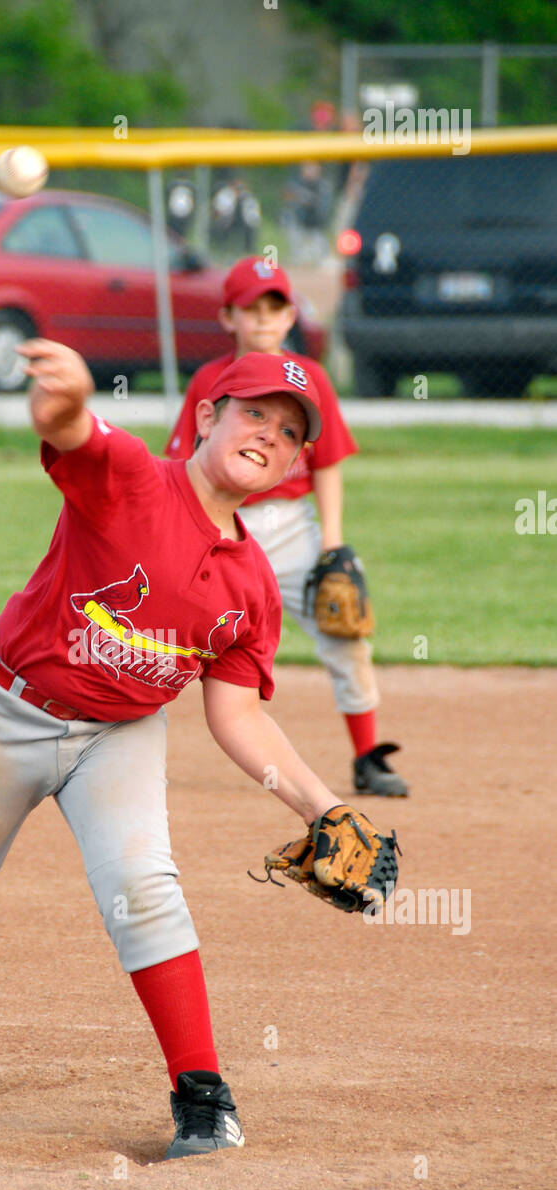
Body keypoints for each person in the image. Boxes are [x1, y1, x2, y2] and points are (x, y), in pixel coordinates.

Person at [0, 339, 392, 1159]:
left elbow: (236, 718)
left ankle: (202, 1096)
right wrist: (65, 397)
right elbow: (69, 429)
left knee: (144, 886)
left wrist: (324, 807)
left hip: (120, 733)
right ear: (206, 417)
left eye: (290, 431)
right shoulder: (129, 478)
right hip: (8, 710)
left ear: (297, 462)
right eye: (254, 411)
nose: (269, 432)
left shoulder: (253, 588)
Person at [165, 256, 407, 798]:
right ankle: (114, 736)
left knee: (346, 632)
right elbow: (182, 466)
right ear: (228, 316)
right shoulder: (210, 381)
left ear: (289, 313)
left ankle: (367, 755)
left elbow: (328, 465)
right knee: (165, 633)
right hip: (223, 526)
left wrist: (333, 540)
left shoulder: (311, 377)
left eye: (275, 305)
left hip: (294, 530)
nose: (264, 317)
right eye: (251, 307)